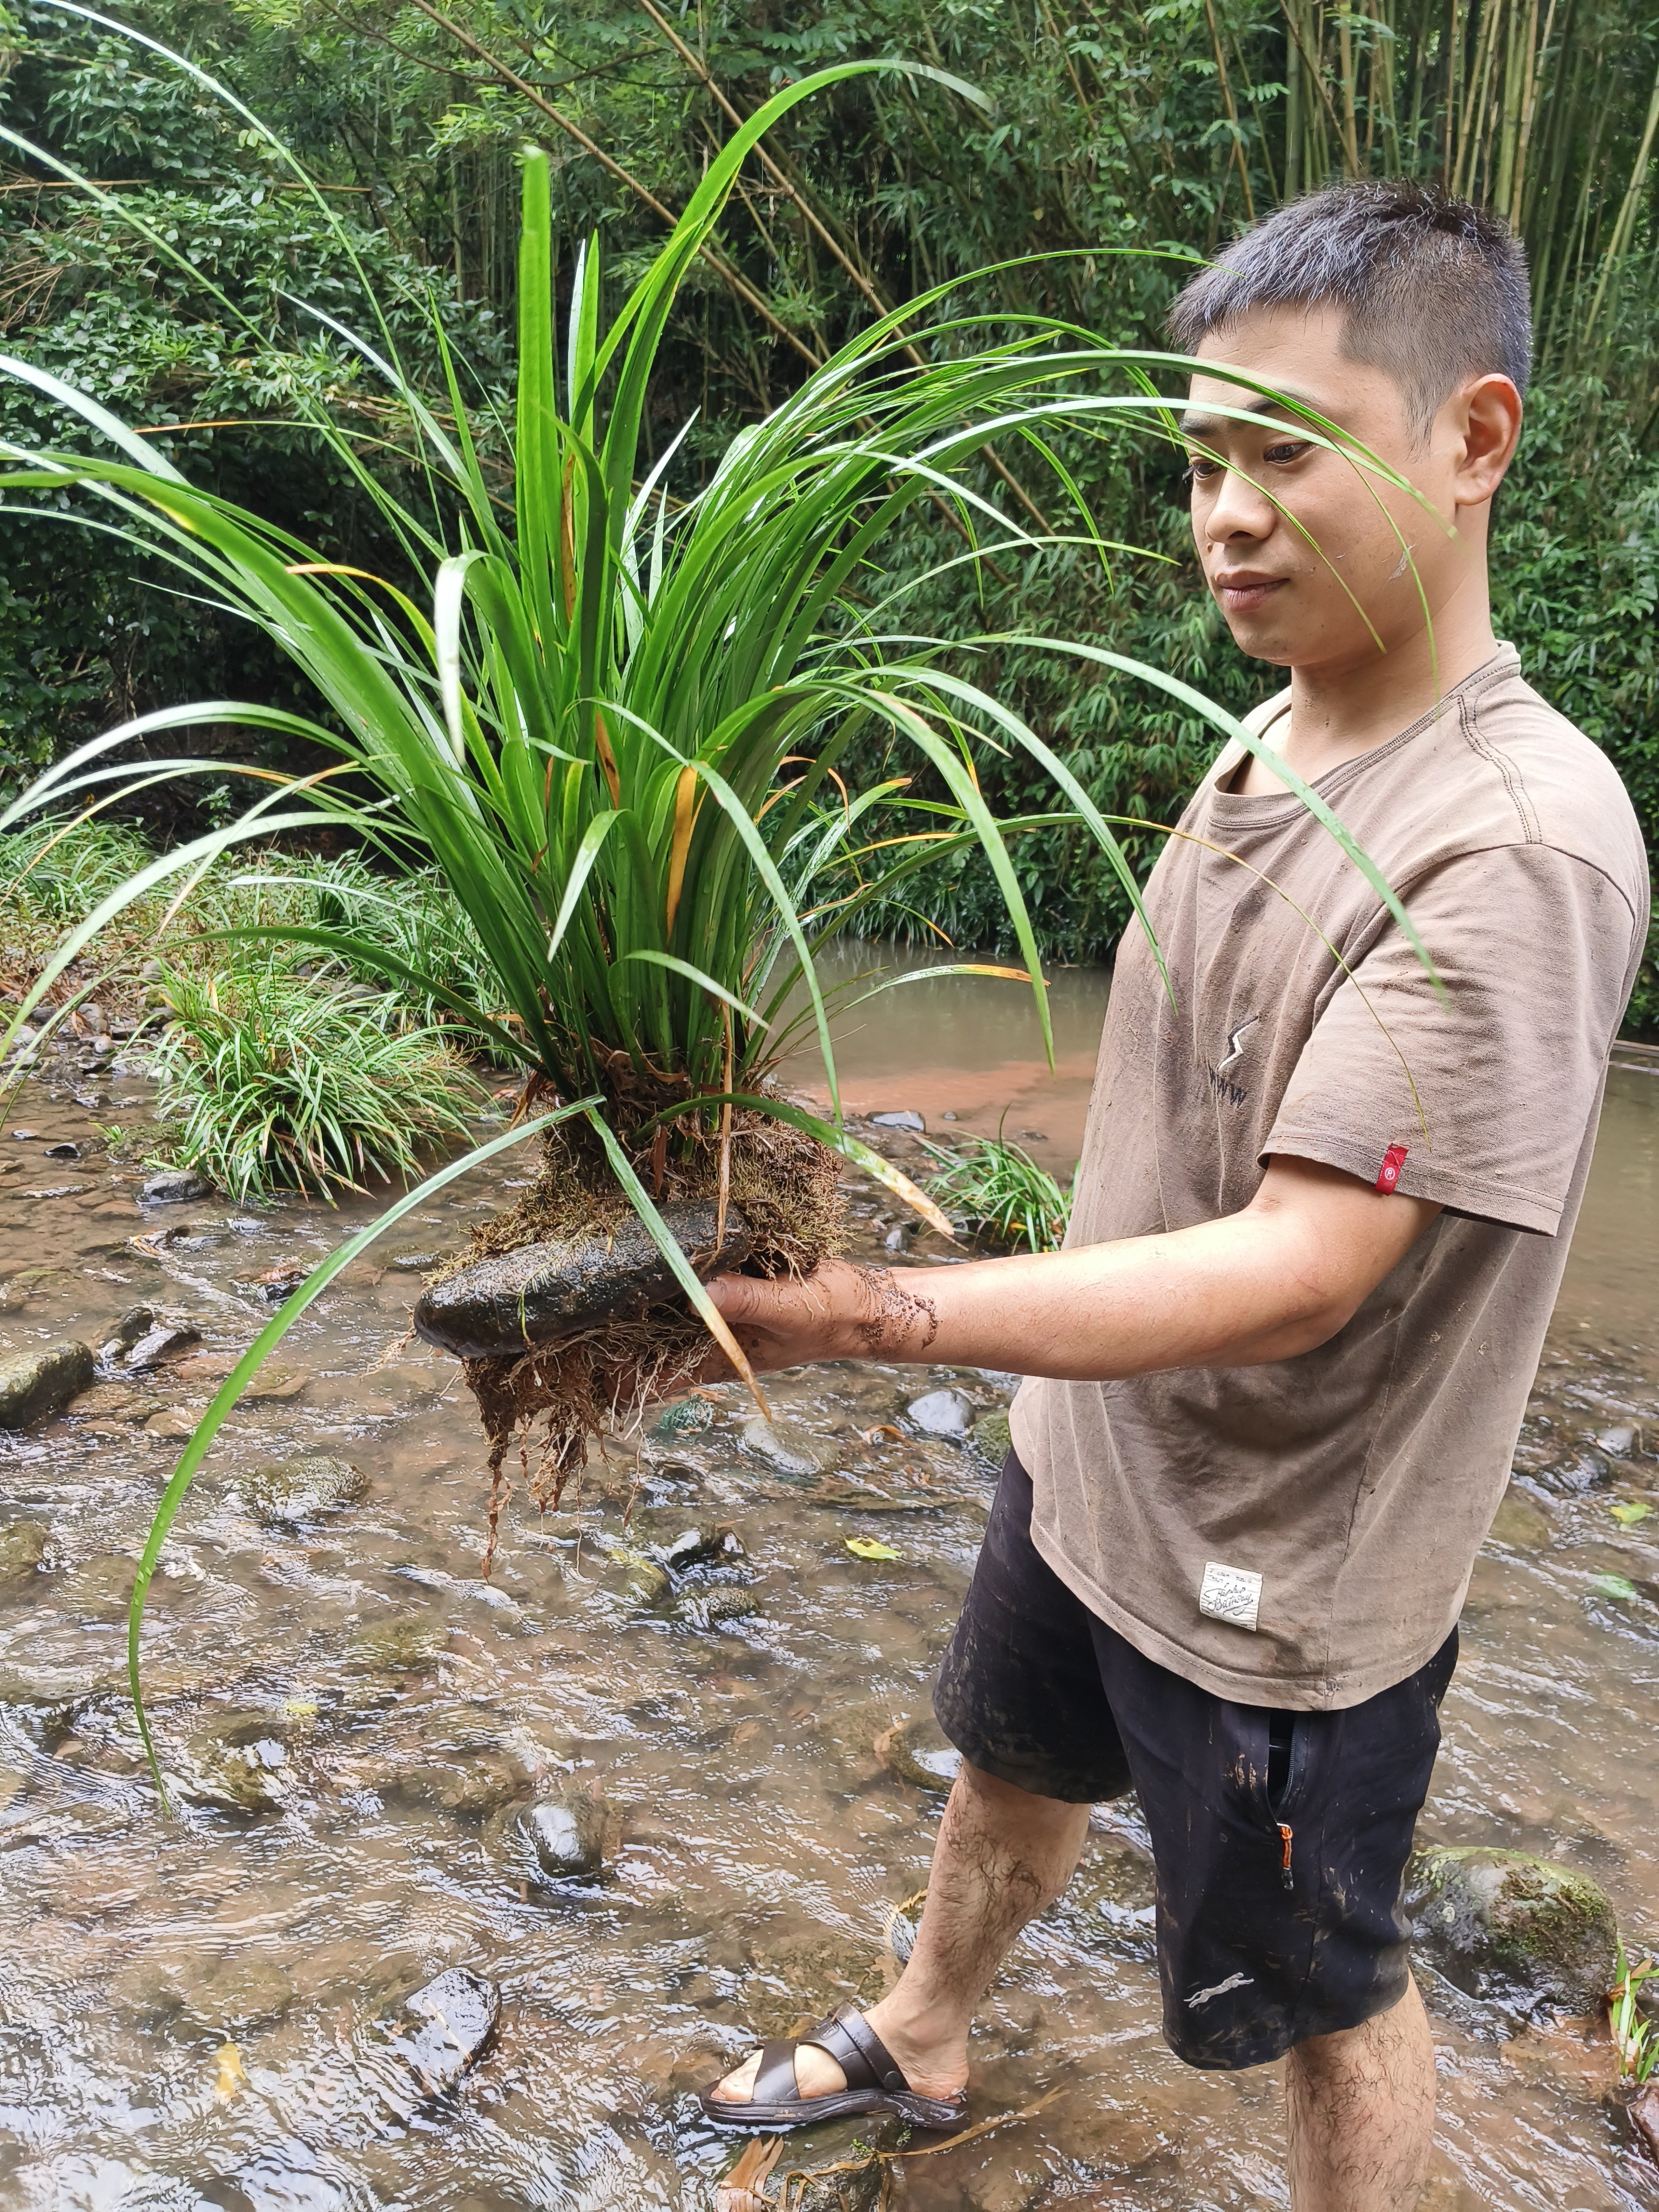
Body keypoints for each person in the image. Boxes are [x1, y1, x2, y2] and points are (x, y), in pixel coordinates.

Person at [694, 181, 1649, 2211]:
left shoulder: (1514, 842)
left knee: (1318, 1987)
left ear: (1472, 441)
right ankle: (928, 2033)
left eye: (1284, 454)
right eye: (1201, 458)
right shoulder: (1282, 724)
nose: (1222, 513)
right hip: (1096, 1462)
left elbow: (1309, 1266)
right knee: (1009, 1757)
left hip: (1283, 1582)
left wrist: (879, 1313)